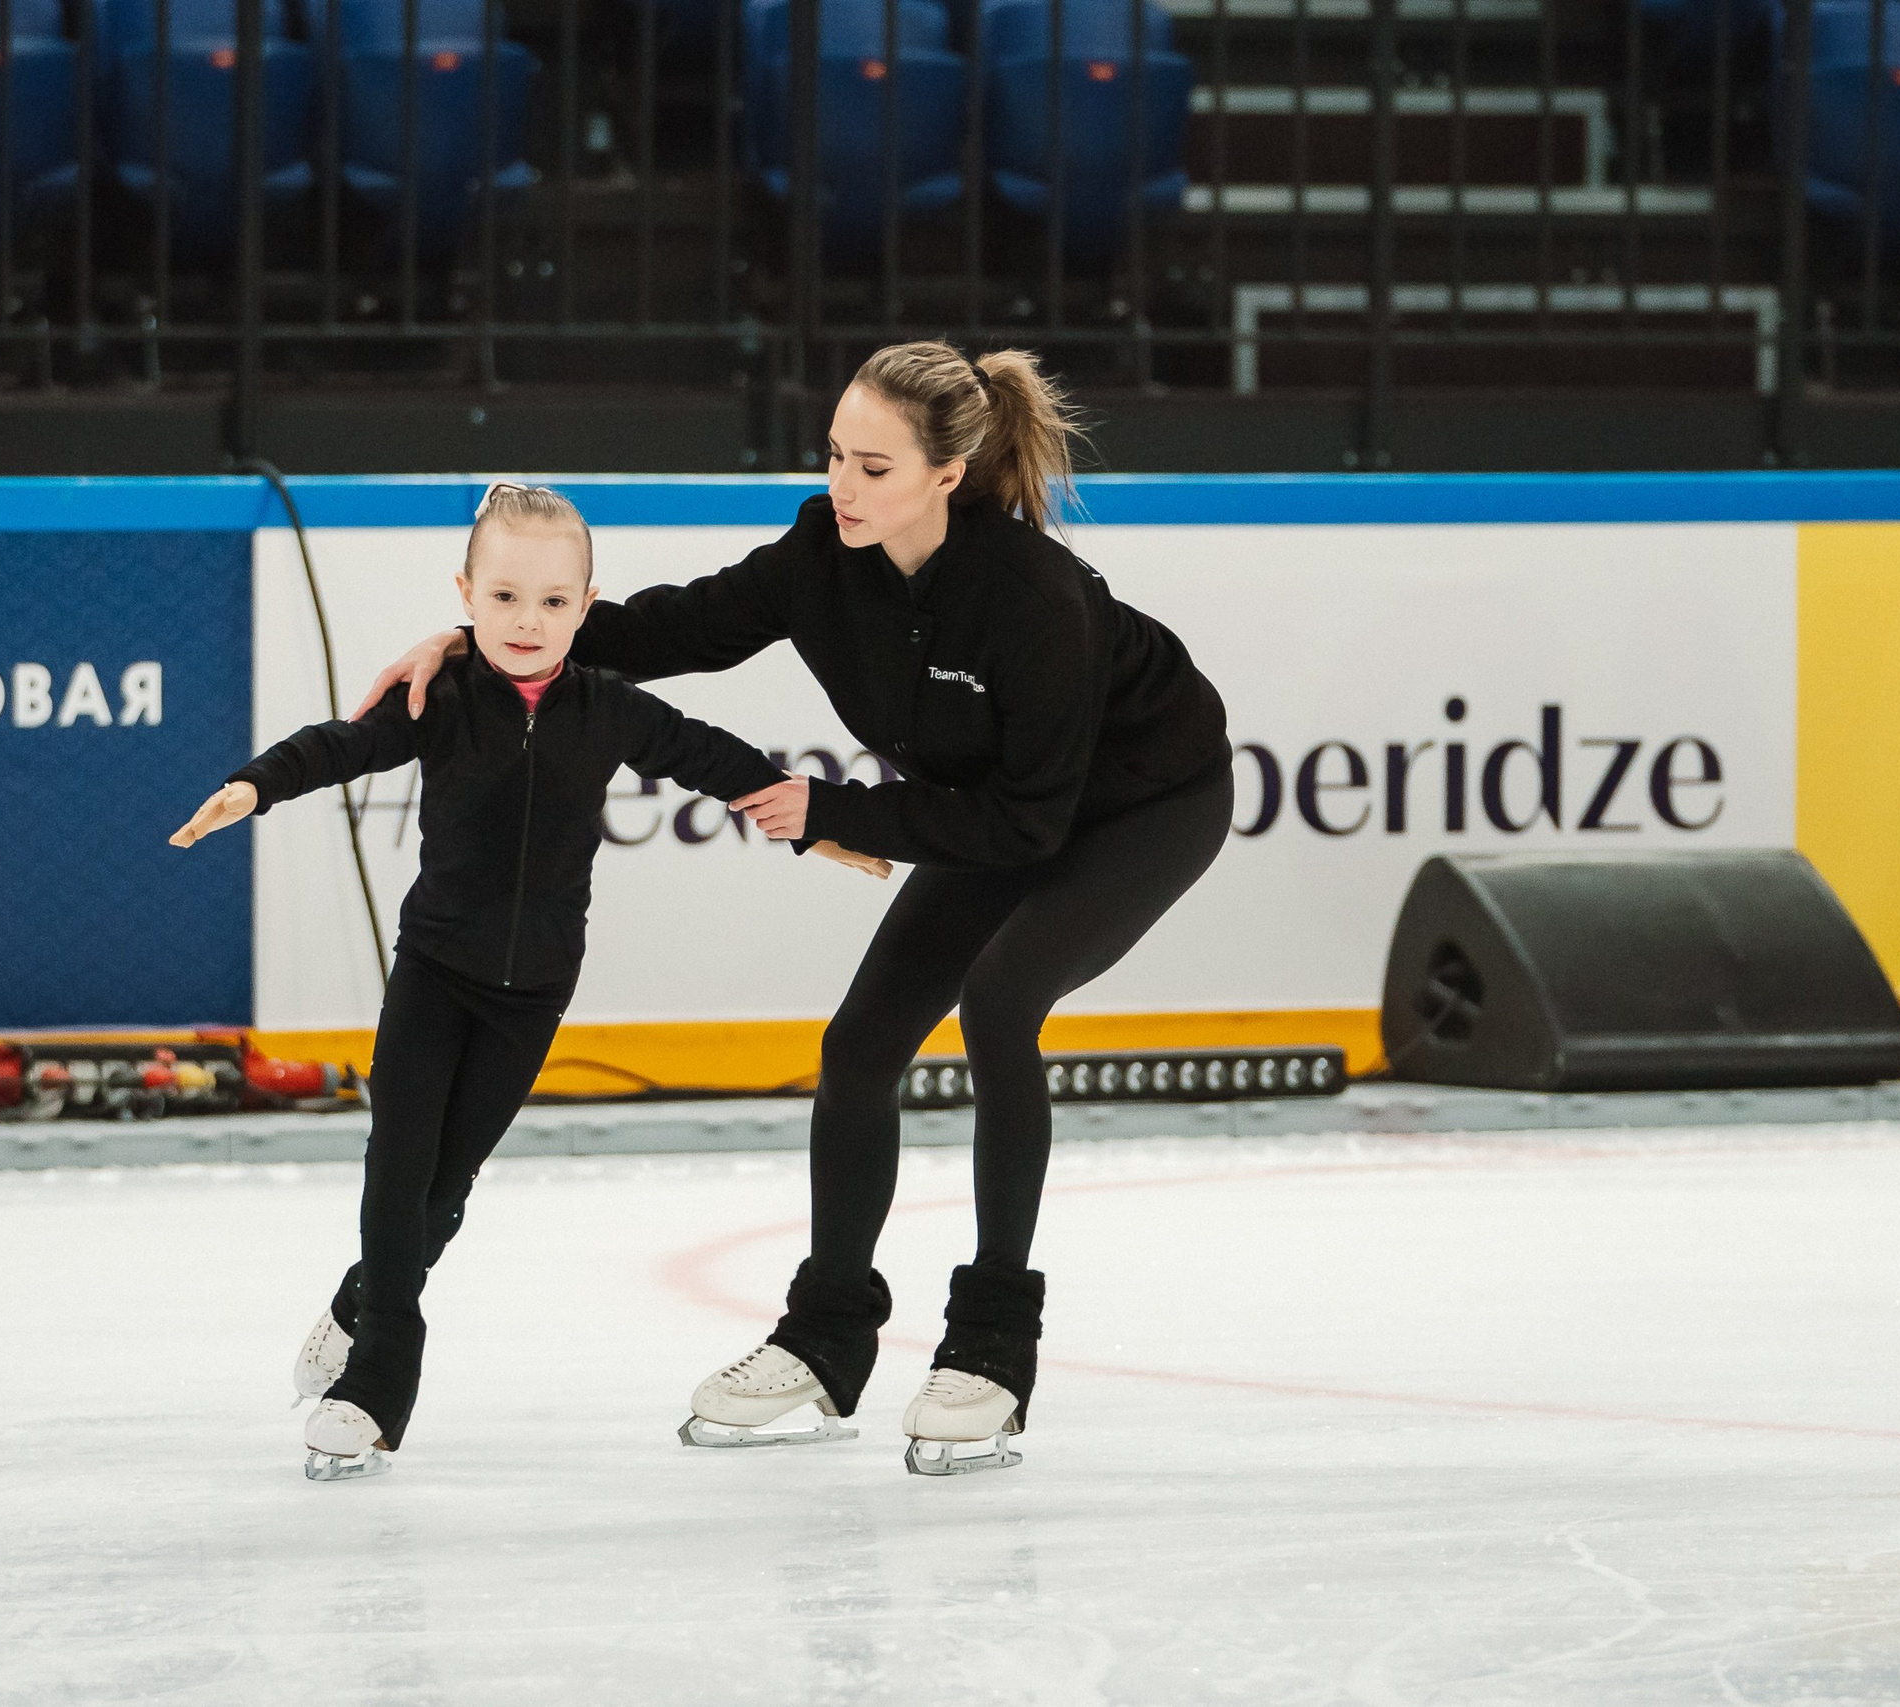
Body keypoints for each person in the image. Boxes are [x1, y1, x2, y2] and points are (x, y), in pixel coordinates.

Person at [354, 344, 1233, 1476]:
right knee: (858, 1046)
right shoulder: (827, 551)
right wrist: (488, 639)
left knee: (1001, 999)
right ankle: (827, 1337)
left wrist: (836, 812)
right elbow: (674, 629)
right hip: (990, 806)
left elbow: (1027, 828)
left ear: (947, 474)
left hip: (1144, 804)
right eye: (833, 456)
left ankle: (992, 1346)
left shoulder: (1032, 600)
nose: (841, 486)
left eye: (871, 467)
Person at [170, 483, 891, 1481]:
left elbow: (710, 758)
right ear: (465, 593)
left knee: (446, 1187)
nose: (526, 621)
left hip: (534, 987)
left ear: (588, 605)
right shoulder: (444, 698)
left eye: (554, 603)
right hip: (432, 968)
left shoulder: (609, 710)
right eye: (504, 597)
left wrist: (818, 825)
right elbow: (345, 743)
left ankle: (357, 1303)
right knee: (398, 1163)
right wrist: (254, 784)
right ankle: (379, 1381)